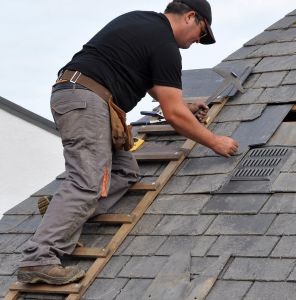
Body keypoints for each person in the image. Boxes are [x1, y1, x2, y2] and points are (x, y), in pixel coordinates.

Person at [17, 0, 238, 285]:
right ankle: (39, 258)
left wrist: (185, 105)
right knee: (88, 181)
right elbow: (172, 114)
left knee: (124, 172)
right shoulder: (165, 45)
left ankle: (62, 213)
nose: (199, 40)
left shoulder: (141, 22)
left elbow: (160, 92)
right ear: (191, 16)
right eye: (202, 32)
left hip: (82, 96)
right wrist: (215, 142)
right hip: (87, 101)